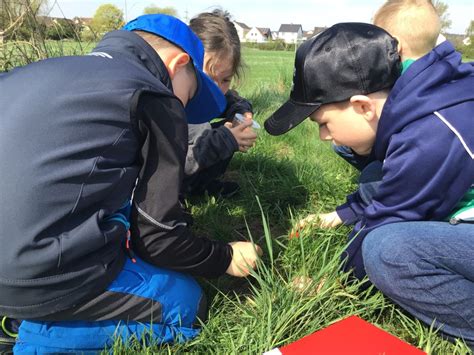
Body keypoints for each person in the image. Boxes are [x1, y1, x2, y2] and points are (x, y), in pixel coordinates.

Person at [0, 14, 262, 353]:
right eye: (190, 94)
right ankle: (29, 334)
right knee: (186, 304)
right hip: (33, 277)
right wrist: (224, 256)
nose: (183, 109)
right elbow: (157, 237)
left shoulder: (31, 72)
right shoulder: (154, 97)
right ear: (178, 63)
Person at [265, 22, 474, 347]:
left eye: (323, 123)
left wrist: (333, 278)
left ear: (363, 105)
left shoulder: (431, 136)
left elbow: (388, 216)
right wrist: (339, 215)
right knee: (370, 168)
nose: (323, 136)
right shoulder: (420, 97)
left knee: (385, 251)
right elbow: (394, 183)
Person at [325, 0, 443, 220]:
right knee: (343, 146)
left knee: (371, 178)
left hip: (435, 180)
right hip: (429, 162)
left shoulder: (408, 86)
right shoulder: (427, 72)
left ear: (394, 46)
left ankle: (383, 194)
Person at [184, 9, 258, 198]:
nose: (216, 89)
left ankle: (201, 186)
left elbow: (235, 100)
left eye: (225, 80)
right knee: (214, 133)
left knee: (226, 132)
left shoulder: (214, 94)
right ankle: (179, 198)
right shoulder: (169, 101)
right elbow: (169, 163)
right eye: (208, 78)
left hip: (191, 168)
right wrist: (225, 139)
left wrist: (241, 115)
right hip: (164, 180)